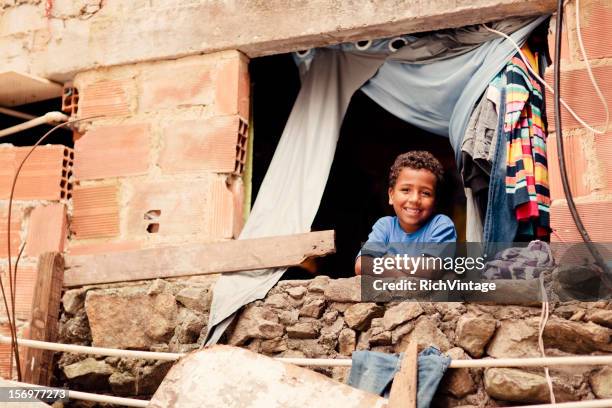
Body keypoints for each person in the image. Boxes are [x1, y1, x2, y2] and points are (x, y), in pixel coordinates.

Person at [355, 151, 457, 277]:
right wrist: (405, 281)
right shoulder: (385, 226)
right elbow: (362, 265)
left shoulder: (441, 224)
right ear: (391, 195)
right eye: (406, 190)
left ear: (435, 201)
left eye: (425, 193)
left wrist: (389, 260)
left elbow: (432, 269)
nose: (414, 199)